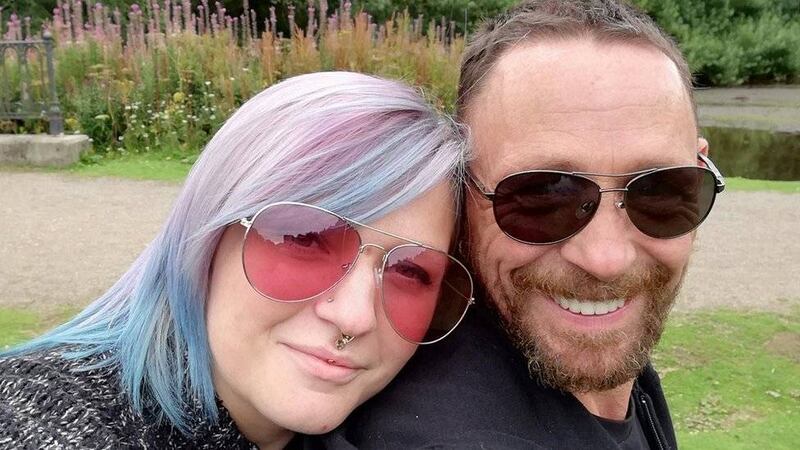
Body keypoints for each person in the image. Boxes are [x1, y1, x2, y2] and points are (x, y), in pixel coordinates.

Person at [323, 1, 726, 449]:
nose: (606, 260)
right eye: (542, 196)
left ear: (699, 166)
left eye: (657, 189)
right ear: (460, 192)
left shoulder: (616, 373)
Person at [0, 71, 475, 449]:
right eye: (304, 238)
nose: (354, 317)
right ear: (209, 234)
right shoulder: (43, 419)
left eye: (411, 270)